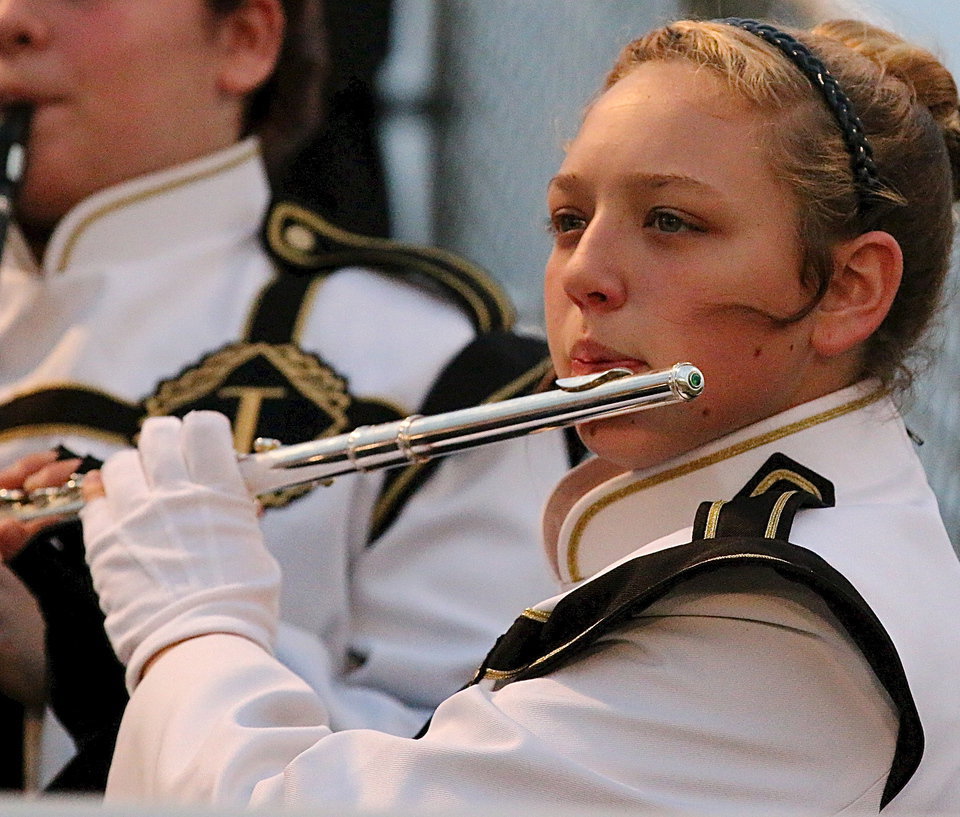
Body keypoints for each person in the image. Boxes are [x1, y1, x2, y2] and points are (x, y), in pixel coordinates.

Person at [77, 16, 960, 814]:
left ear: (849, 287)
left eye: (671, 222)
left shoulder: (776, 623)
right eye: (568, 219)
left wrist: (189, 615)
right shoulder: (757, 554)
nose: (583, 275)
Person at [0, 0, 566, 791]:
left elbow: (467, 770)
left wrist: (71, 652)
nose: (12, 20)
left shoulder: (426, 366)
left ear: (244, 40)